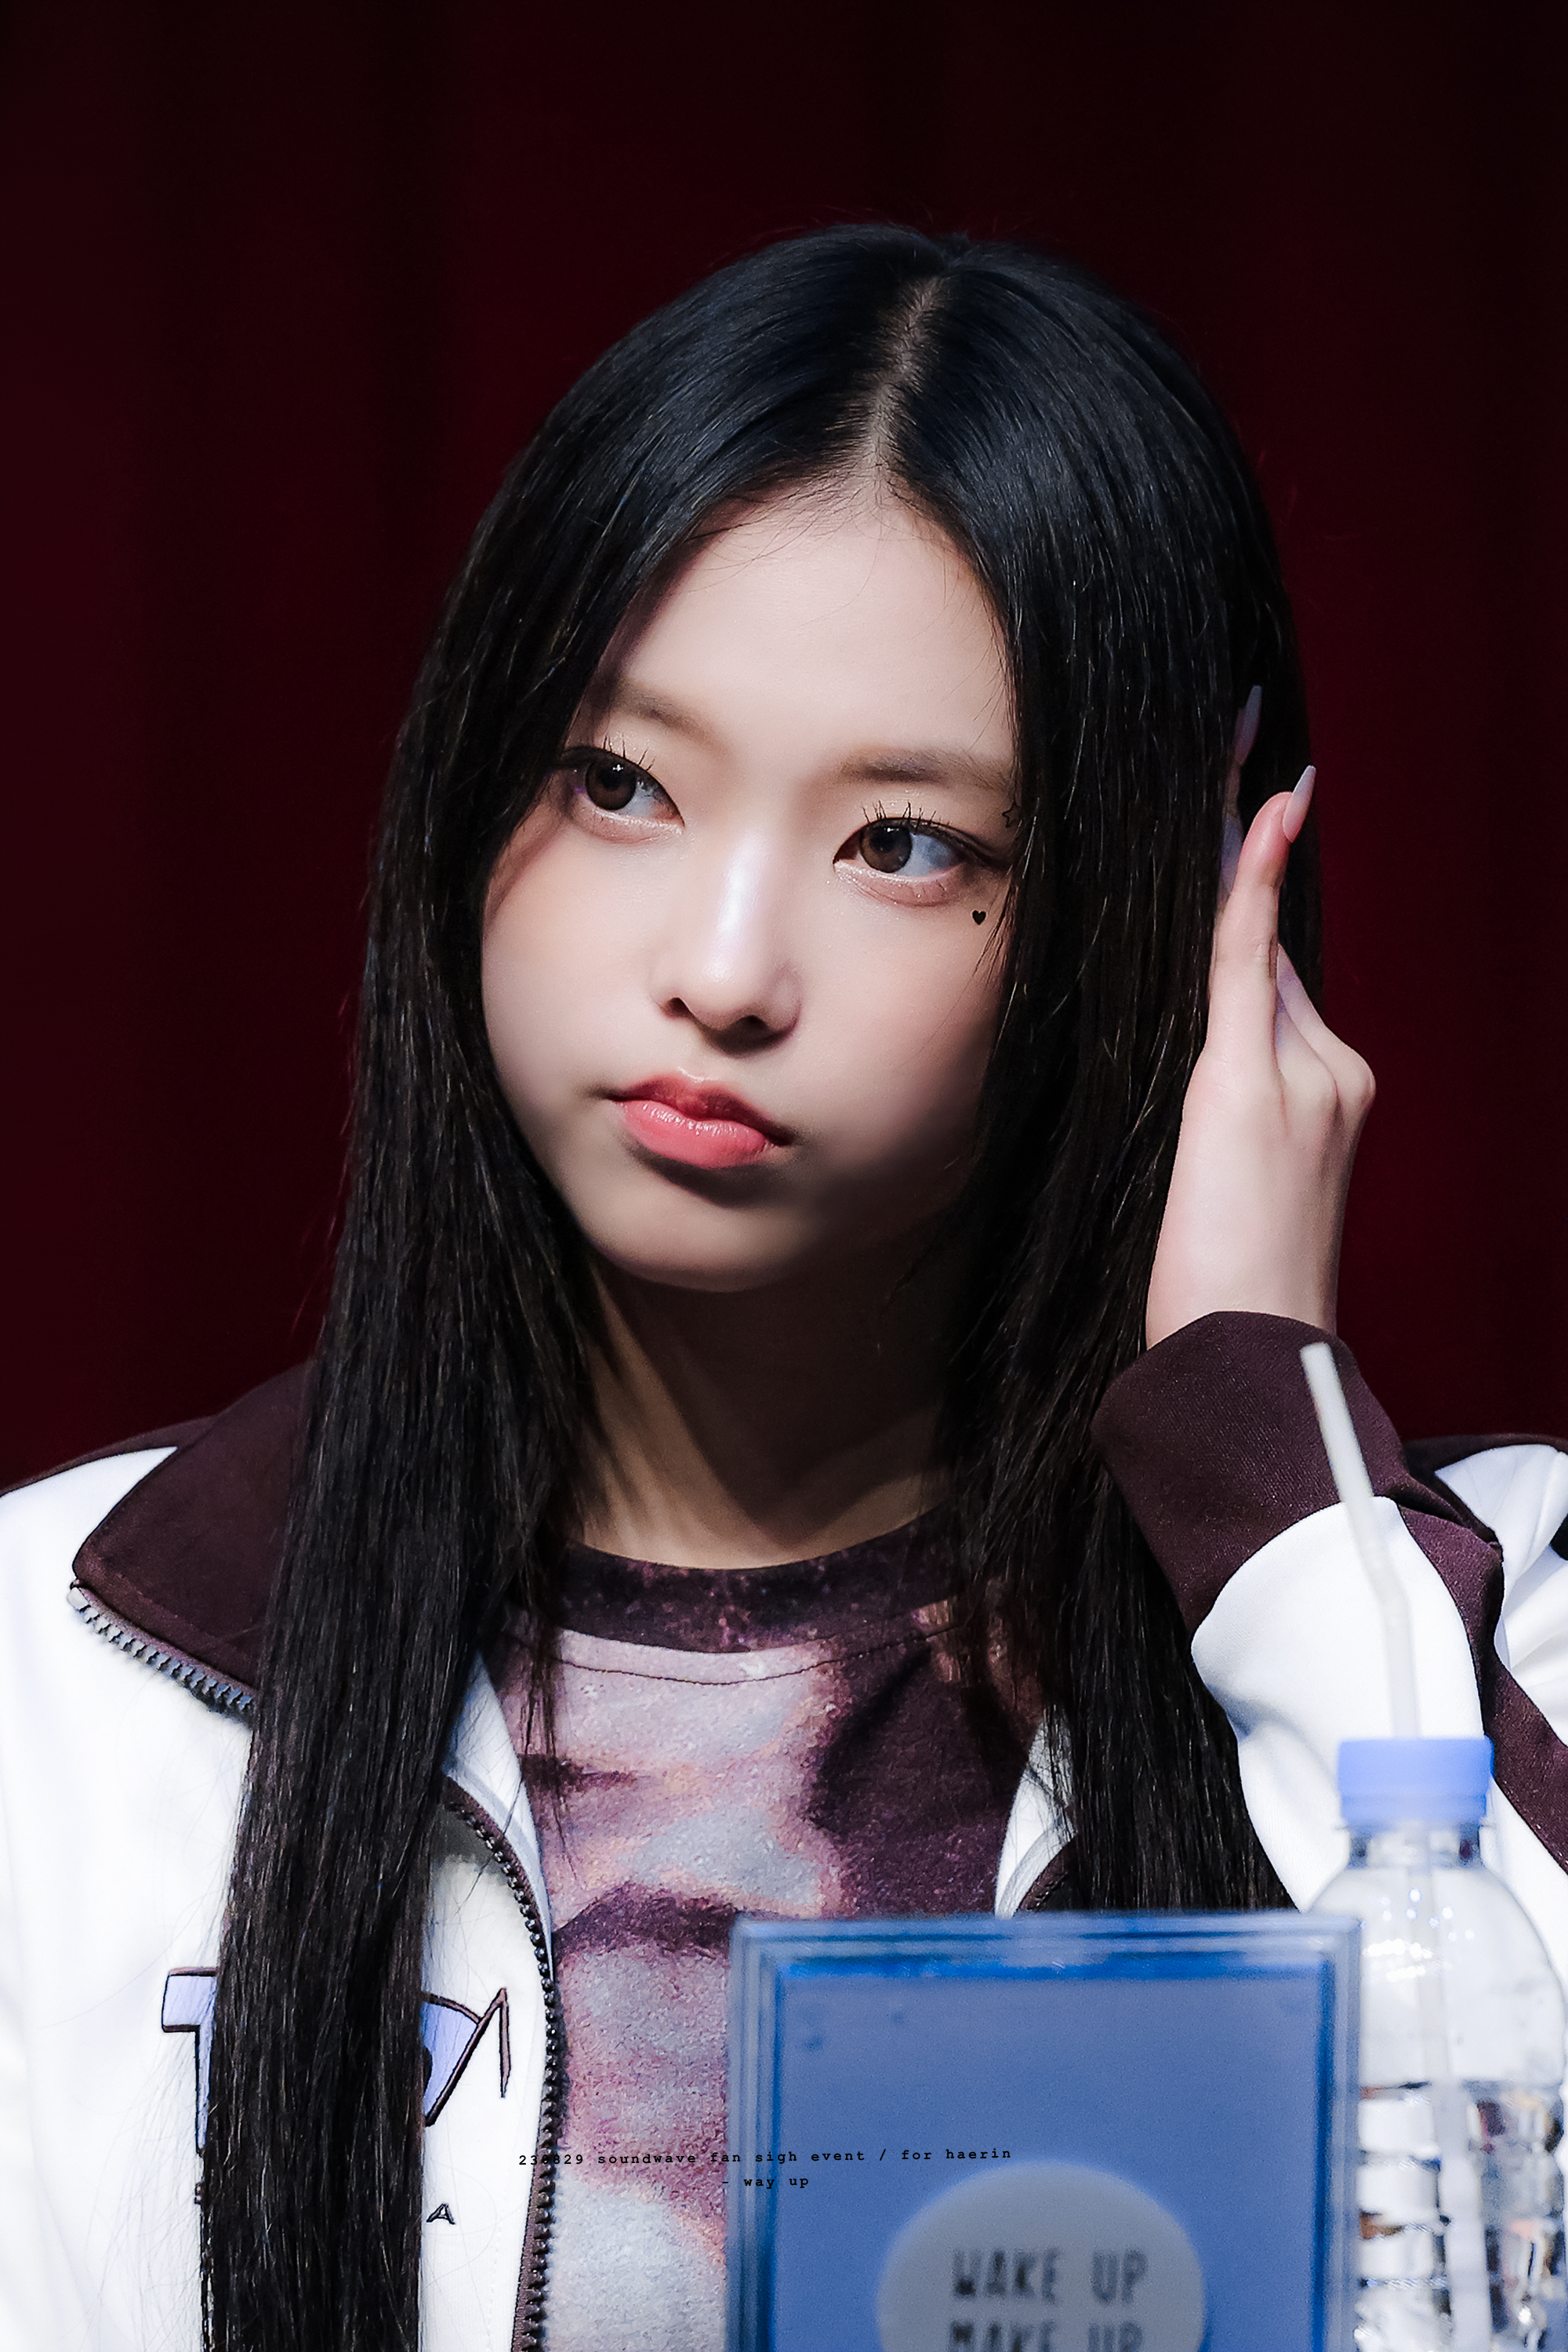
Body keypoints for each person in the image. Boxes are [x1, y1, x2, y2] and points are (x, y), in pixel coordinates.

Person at [2, 223, 1561, 2352]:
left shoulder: (1471, 1620)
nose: (724, 971)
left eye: (905, 843)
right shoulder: (69, 1675)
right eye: (619, 783)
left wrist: (1260, 1456)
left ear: (1155, 920)